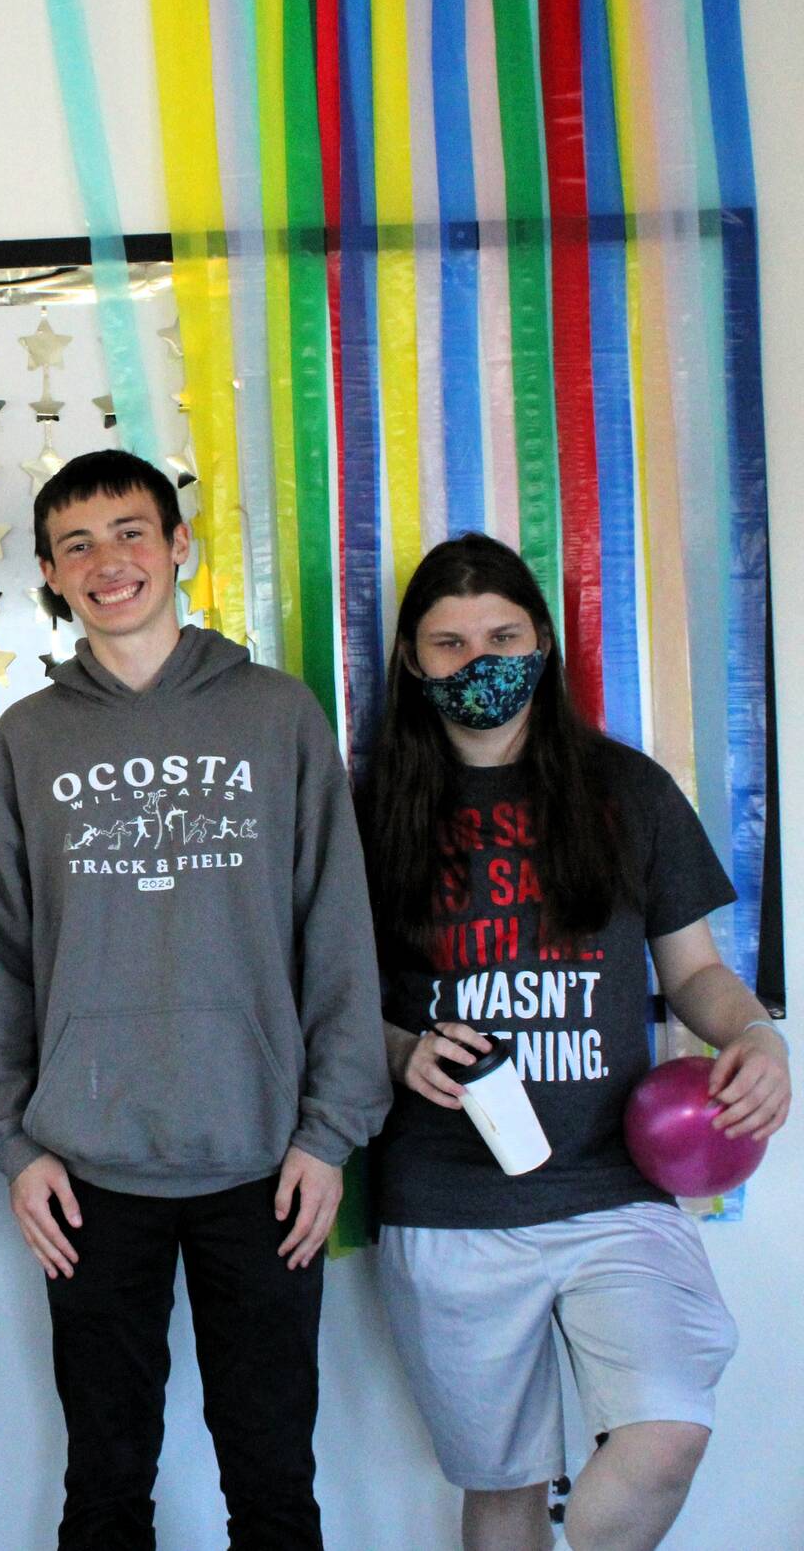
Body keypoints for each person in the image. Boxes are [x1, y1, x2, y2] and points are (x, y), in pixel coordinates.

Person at [0, 449, 390, 1550]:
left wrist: (328, 1135)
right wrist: (10, 1142)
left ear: (177, 543)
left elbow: (334, 935)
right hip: (86, 1175)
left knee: (273, 1484)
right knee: (103, 1487)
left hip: (265, 1168)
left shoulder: (275, 716)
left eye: (129, 530)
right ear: (51, 575)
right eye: (77, 545)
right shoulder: (31, 739)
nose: (109, 561)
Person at [362, 533, 789, 1551]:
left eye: (502, 635)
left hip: (612, 1189)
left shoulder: (624, 789)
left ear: (544, 642)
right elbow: (329, 1002)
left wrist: (758, 1038)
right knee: (501, 1483)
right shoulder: (371, 809)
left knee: (665, 1429)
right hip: (447, 1200)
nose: (479, 662)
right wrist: (397, 1051)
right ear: (412, 662)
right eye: (449, 643)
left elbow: (691, 973)